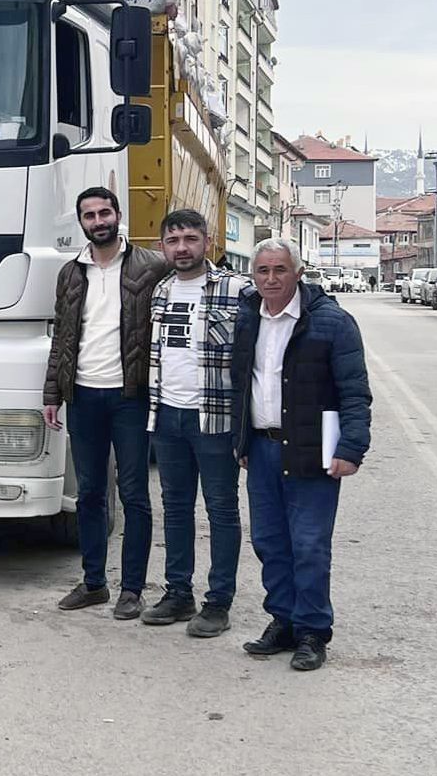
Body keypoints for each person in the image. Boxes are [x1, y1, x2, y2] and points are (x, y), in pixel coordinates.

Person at [231, 237, 371, 672]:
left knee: (309, 544)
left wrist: (351, 448)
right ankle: (283, 620)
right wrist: (242, 442)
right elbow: (242, 386)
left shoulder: (332, 322)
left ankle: (312, 630)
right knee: (270, 542)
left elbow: (354, 392)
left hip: (313, 450)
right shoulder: (247, 318)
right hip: (261, 448)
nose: (271, 279)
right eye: (263, 271)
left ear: (297, 272)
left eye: (280, 270)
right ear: (253, 276)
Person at [43, 186, 168, 619]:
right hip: (83, 396)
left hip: (130, 396)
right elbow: (62, 337)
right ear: (81, 222)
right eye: (89, 215)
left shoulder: (152, 266)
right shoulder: (71, 273)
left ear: (118, 214)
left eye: (104, 212)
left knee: (133, 494)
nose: (98, 221)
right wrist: (52, 395)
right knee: (90, 494)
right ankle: (94, 582)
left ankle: (131, 589)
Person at [140, 209, 250, 636]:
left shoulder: (237, 290)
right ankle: (178, 594)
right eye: (173, 240)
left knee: (222, 511)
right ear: (162, 246)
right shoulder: (161, 291)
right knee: (176, 508)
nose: (181, 247)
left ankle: (218, 602)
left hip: (216, 420)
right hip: (167, 416)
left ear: (208, 240)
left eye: (190, 238)